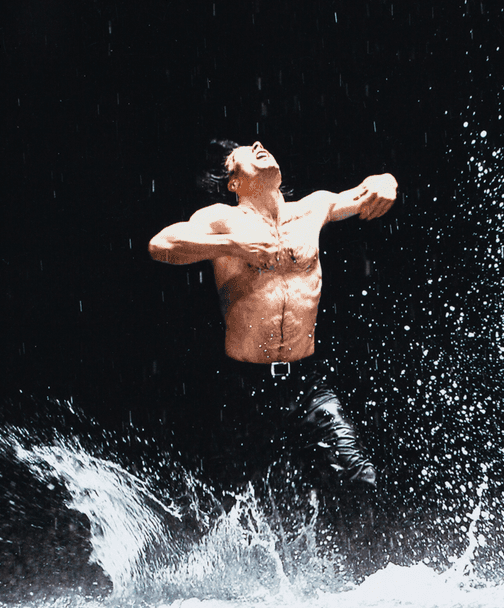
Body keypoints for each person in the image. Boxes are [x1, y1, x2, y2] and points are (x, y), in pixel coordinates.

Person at [147, 140, 396, 494]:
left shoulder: (313, 207)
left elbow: (369, 189)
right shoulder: (222, 219)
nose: (258, 145)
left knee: (358, 478)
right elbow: (160, 246)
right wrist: (233, 245)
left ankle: (349, 550)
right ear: (233, 183)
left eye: (258, 143)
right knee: (235, 499)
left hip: (306, 383)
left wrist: (388, 182)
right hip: (245, 387)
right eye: (245, 151)